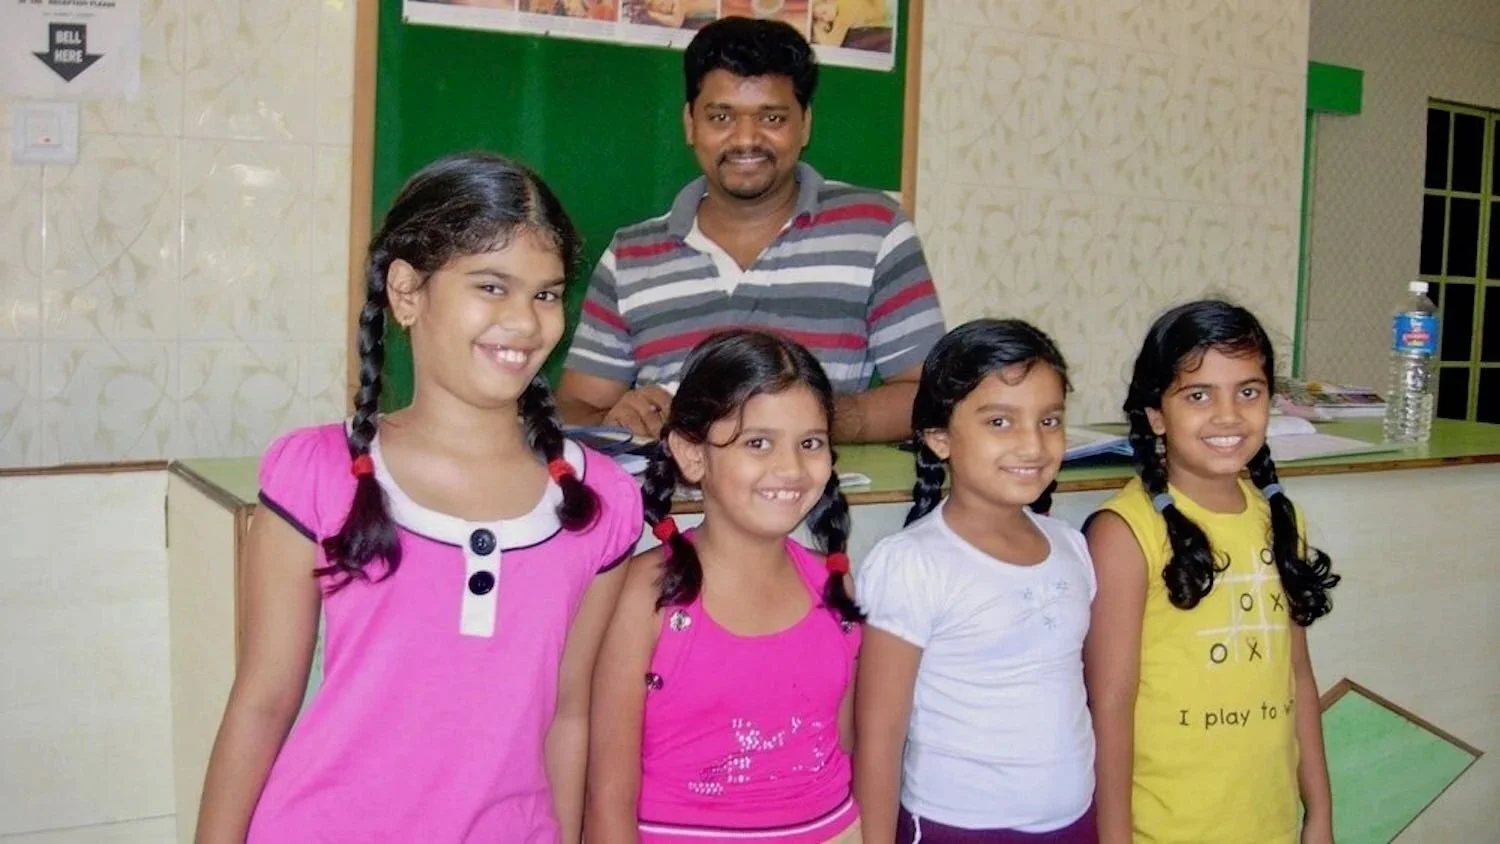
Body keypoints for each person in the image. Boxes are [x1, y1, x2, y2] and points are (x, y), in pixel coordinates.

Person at [194, 153, 644, 843]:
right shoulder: (320, 471)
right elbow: (261, 703)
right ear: (407, 291)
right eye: (491, 286)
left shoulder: (597, 502)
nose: (525, 323)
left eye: (546, 294)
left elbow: (567, 714)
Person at [558, 16, 945, 444]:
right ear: (690, 124)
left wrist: (798, 424)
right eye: (721, 116)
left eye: (772, 118)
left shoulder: (875, 230)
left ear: (805, 124)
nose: (746, 139)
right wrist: (619, 419)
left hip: (809, 486)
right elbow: (575, 409)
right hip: (670, 487)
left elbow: (928, 395)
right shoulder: (630, 255)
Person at [587, 330, 864, 843]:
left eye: (811, 443)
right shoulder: (647, 595)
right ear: (692, 455)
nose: (791, 468)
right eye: (758, 443)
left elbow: (844, 743)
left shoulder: (834, 582)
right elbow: (608, 795)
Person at [1084, 300, 1341, 844]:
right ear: (1157, 414)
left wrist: (1319, 812)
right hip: (1163, 831)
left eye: (1248, 392)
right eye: (1198, 395)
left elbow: (1298, 676)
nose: (1228, 415)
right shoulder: (1125, 533)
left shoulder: (1280, 519)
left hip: (1268, 826)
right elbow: (1109, 704)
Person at [854, 319, 1099, 843]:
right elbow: (878, 739)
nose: (1032, 444)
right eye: (1000, 422)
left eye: (1049, 420)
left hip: (1075, 821)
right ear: (940, 437)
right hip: (956, 827)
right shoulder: (912, 563)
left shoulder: (1072, 547)